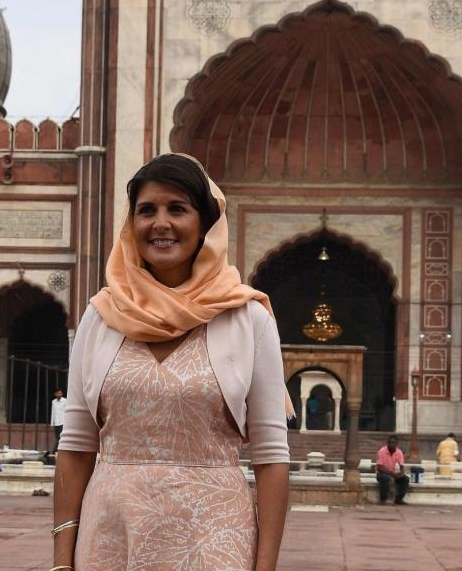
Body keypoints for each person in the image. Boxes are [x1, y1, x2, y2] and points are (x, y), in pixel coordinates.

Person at [54, 154, 290, 571]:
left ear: (205, 224)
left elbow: (271, 457)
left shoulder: (247, 318)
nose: (160, 223)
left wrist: (265, 567)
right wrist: (61, 561)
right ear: (132, 225)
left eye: (177, 209)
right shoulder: (103, 316)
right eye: (147, 210)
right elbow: (75, 447)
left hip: (213, 538)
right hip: (111, 534)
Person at [376, 435, 409, 505]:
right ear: (387, 443)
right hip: (382, 473)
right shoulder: (382, 451)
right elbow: (379, 467)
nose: (391, 444)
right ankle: (383, 499)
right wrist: (391, 473)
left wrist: (401, 474)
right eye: (390, 442)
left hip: (393, 473)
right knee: (385, 478)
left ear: (397, 444)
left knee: (405, 479)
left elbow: (402, 466)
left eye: (393, 442)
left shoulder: (399, 452)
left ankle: (398, 499)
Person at [50, 389, 67, 455]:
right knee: (57, 437)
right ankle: (57, 451)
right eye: (58, 393)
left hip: (62, 421)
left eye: (60, 393)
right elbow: (53, 412)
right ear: (55, 394)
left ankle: (54, 451)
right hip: (56, 422)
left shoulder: (65, 401)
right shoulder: (53, 401)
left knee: (60, 437)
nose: (59, 394)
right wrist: (52, 423)